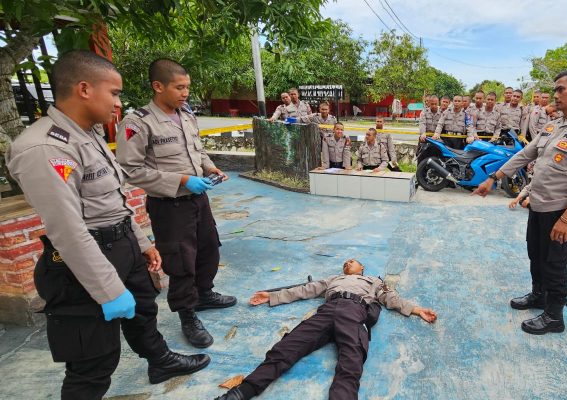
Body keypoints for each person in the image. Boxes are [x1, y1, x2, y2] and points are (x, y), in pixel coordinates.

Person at [6, 51, 209, 400]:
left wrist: (142, 243)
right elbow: (68, 230)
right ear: (84, 89)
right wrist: (108, 290)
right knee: (93, 362)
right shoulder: (44, 148)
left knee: (144, 313)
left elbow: (112, 202)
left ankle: (159, 361)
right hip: (85, 263)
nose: (118, 103)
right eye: (113, 93)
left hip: (122, 245)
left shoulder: (88, 135)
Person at [473, 69, 567, 335]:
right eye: (555, 90)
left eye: (560, 90)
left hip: (561, 211)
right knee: (536, 254)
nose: (555, 95)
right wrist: (493, 177)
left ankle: (554, 315)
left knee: (555, 262)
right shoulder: (554, 125)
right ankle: (539, 295)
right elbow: (525, 154)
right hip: (538, 205)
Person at [116, 59, 236, 349]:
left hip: (198, 199)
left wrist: (210, 168)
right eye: (179, 87)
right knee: (181, 260)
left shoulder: (186, 114)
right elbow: (131, 170)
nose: (185, 93)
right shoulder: (138, 122)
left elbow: (198, 151)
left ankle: (204, 294)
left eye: (187, 87)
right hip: (170, 206)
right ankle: (187, 313)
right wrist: (182, 180)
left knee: (208, 247)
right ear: (158, 86)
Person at [215, 259, 437, 400]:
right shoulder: (333, 279)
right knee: (285, 349)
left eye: (353, 261)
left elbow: (391, 299)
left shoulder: (373, 281)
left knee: (351, 362)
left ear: (362, 268)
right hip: (326, 312)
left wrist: (417, 310)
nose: (348, 263)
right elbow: (305, 290)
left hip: (354, 311)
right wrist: (272, 295)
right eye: (345, 263)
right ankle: (240, 393)